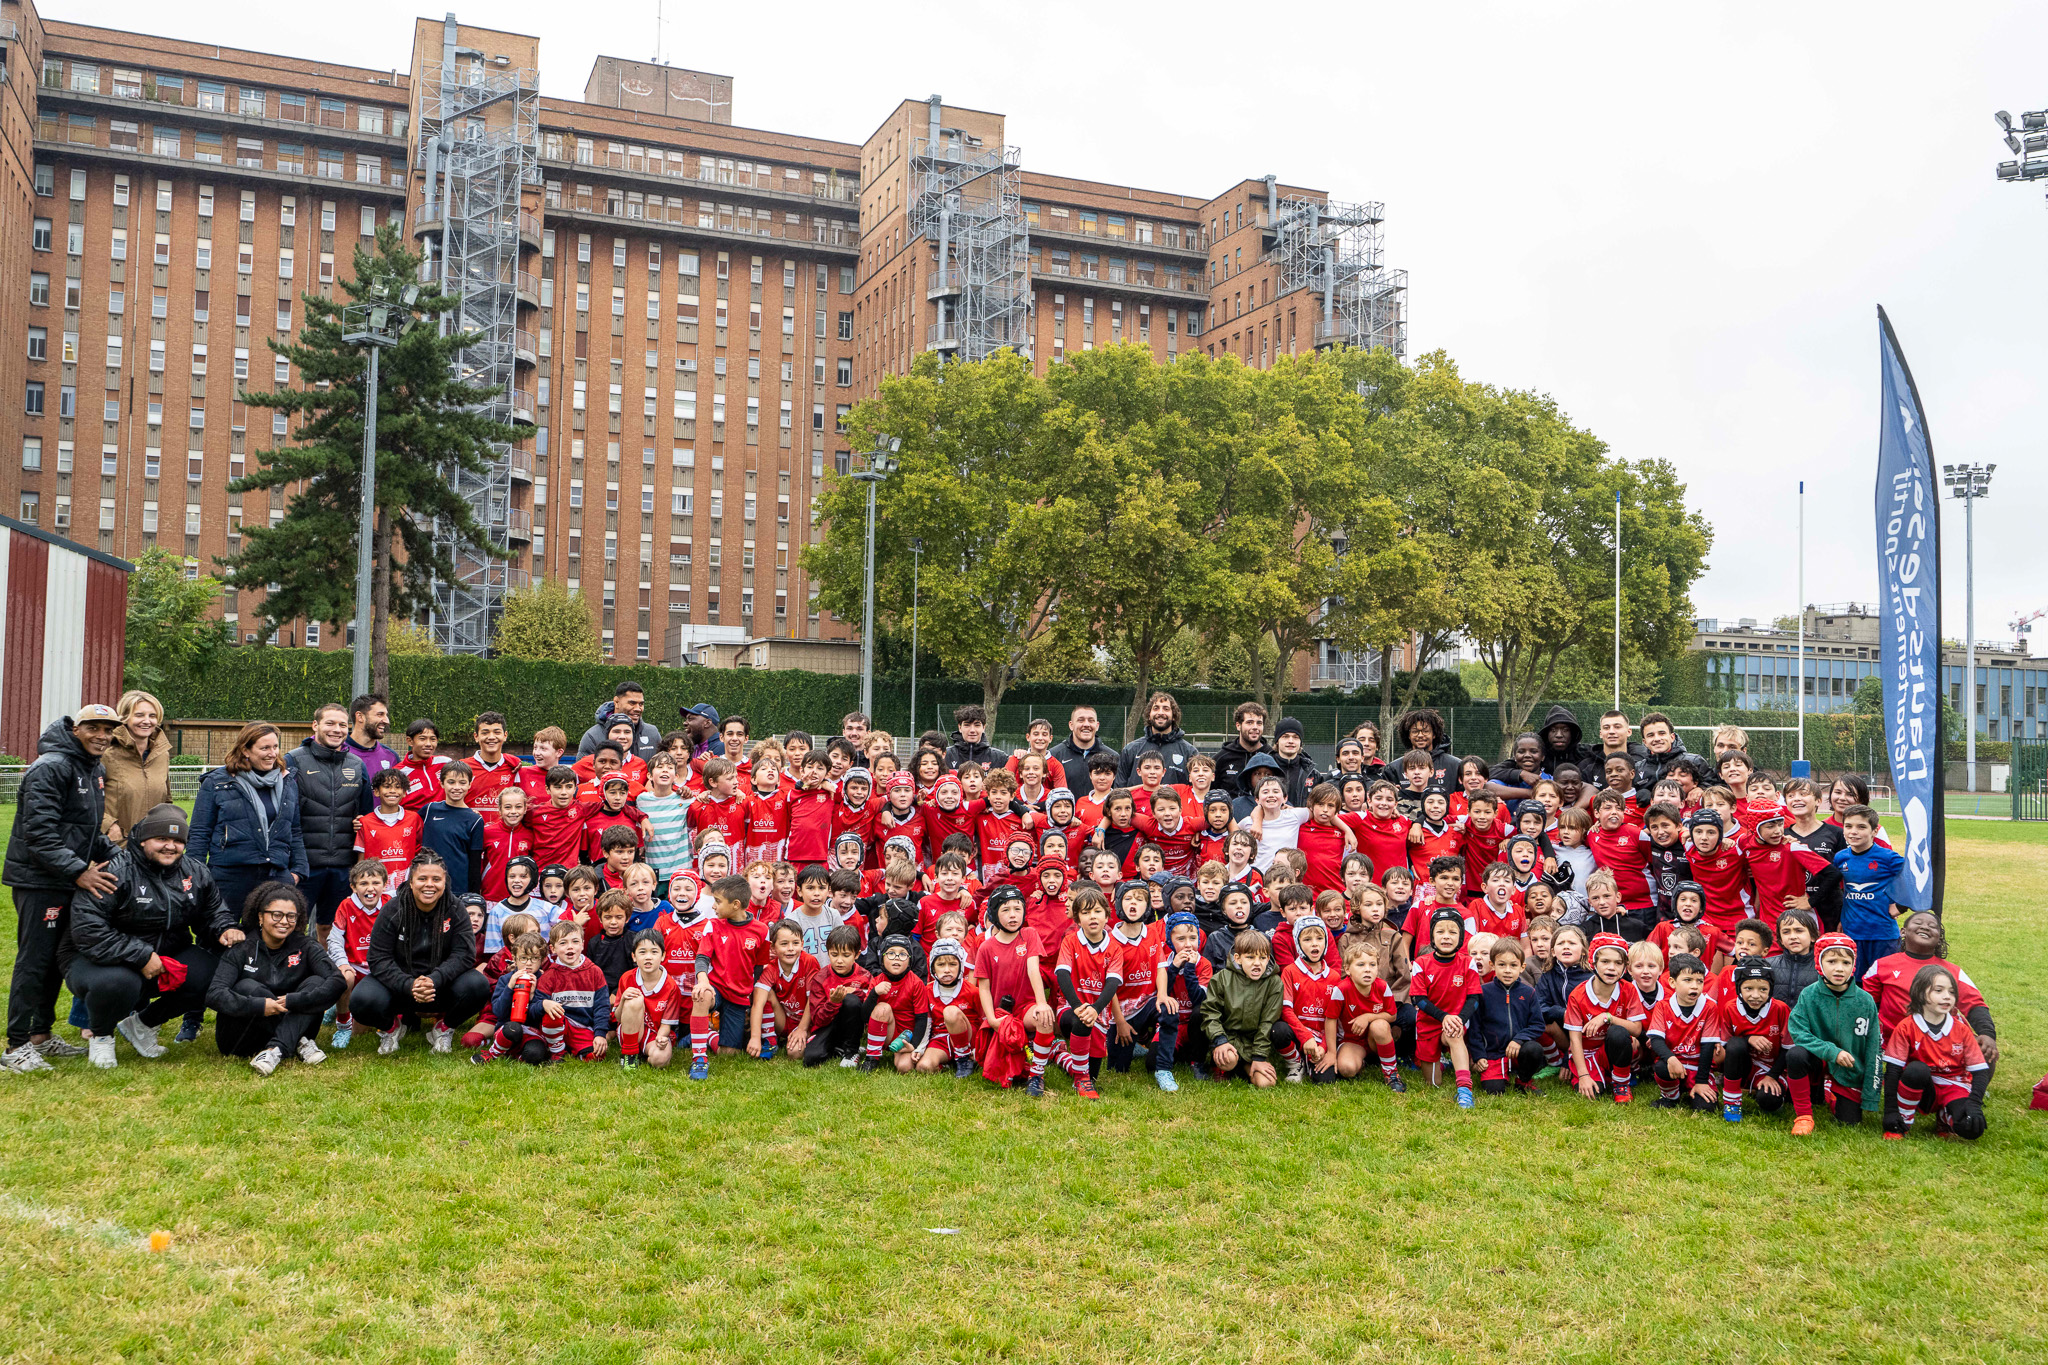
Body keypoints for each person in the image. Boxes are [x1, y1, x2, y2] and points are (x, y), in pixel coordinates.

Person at [66, 803, 236, 1069]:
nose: (170, 846)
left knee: (215, 976)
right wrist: (142, 955)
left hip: (167, 951)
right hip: (99, 958)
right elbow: (89, 930)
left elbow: (213, 911)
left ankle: (142, 1025)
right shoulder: (114, 871)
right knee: (119, 982)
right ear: (144, 840)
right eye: (162, 839)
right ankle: (101, 1036)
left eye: (178, 840)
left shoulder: (195, 871)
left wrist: (225, 928)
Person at [2, 706, 123, 1071]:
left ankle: (41, 1035)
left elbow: (86, 834)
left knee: (54, 960)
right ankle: (16, 1046)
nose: (102, 735)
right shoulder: (51, 766)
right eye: (93, 728)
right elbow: (39, 835)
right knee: (34, 960)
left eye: (108, 729)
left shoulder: (93, 768)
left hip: (65, 879)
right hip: (39, 881)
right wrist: (79, 873)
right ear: (75, 729)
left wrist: (124, 860)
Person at [184, 722, 308, 1044]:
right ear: (246, 750)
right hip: (228, 873)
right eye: (264, 747)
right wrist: (197, 875)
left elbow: (294, 830)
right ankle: (192, 1018)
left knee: (284, 939)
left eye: (275, 746)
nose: (272, 753)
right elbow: (198, 833)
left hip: (275, 873)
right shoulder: (218, 782)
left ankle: (281, 1011)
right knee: (213, 942)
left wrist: (298, 870)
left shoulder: (287, 780)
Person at [355, 851, 489, 1055]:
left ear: (445, 882)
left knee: (478, 985)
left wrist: (435, 979)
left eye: (436, 879)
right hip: (401, 988)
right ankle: (391, 1029)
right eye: (422, 878)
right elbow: (378, 958)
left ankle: (443, 1029)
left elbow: (464, 954)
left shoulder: (455, 908)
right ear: (410, 882)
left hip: (440, 987)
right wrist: (409, 985)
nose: (429, 885)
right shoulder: (393, 909)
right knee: (361, 1000)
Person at [206, 881, 342, 1075]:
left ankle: (274, 1050)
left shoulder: (307, 945)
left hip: (295, 1027)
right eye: (276, 915)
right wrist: (260, 1006)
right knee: (248, 986)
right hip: (242, 1039)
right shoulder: (242, 947)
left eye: (291, 916)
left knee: (317, 983)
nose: (284, 921)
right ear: (261, 916)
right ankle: (295, 1042)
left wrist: (296, 1000)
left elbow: (337, 981)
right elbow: (214, 994)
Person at [1784, 931, 1882, 1135]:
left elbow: (1874, 1048)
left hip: (1849, 1070)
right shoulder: (1809, 995)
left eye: (1846, 962)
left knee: (1849, 1122)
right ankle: (1804, 1116)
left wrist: (1871, 1095)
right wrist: (1831, 1051)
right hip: (1816, 1063)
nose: (1839, 968)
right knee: (1795, 1054)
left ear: (1853, 965)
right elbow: (1798, 1031)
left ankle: (1833, 1092)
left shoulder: (1865, 1000)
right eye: (1831, 961)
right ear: (1819, 963)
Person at [1879, 964, 1989, 1142]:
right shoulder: (1906, 1026)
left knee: (1971, 1129)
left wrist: (1974, 1104)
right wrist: (1890, 1112)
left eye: (1952, 992)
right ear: (1921, 993)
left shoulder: (1961, 1029)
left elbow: (1980, 1071)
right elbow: (1892, 1071)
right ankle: (1903, 1122)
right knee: (1916, 1070)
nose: (1947, 996)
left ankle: (1945, 1118)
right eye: (1939, 990)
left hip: (1954, 1086)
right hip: (1921, 1086)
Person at [288, 702, 373, 930]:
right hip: (303, 866)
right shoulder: (293, 760)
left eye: (342, 725)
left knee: (332, 927)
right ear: (315, 725)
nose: (337, 729)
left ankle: (327, 966)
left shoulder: (357, 765)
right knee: (293, 925)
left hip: (342, 867)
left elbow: (366, 817)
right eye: (330, 723)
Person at [1199, 928, 1283, 1088]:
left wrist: (1259, 1057)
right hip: (1229, 1038)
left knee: (1266, 1083)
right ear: (1237, 958)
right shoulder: (1221, 978)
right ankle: (1224, 1066)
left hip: (1254, 1042)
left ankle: (1246, 1066)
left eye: (1262, 957)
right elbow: (1210, 1013)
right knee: (1228, 1060)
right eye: (1250, 957)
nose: (1257, 963)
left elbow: (1267, 1023)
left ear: (1268, 959)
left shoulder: (1274, 983)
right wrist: (1220, 1040)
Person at [100, 690, 173, 843]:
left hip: (151, 848)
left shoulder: (162, 755)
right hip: (114, 847)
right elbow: (85, 800)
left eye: (152, 716)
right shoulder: (106, 753)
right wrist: (108, 825)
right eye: (139, 715)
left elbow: (166, 801)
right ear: (125, 718)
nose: (147, 721)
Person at [1116, 691, 1199, 786]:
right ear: (1149, 715)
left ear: (1174, 716)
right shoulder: (1130, 750)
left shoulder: (1189, 752)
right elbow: (1119, 790)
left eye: (1166, 709)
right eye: (1156, 708)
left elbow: (1196, 791)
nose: (1160, 713)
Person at [577, 681, 663, 761]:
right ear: (616, 702)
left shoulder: (652, 733)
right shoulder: (592, 737)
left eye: (641, 704)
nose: (638, 709)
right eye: (632, 703)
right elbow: (583, 773)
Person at [1390, 708, 1458, 783]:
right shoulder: (1394, 769)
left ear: (1434, 734)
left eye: (1425, 731)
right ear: (1408, 735)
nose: (1420, 735)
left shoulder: (1455, 766)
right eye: (1415, 731)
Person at [343, 694, 400, 779]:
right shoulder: (338, 752)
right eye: (380, 714)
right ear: (360, 717)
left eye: (386, 715)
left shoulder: (391, 756)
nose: (387, 721)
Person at [943, 704, 1002, 771]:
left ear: (983, 727)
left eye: (977, 725)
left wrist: (1016, 754)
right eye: (967, 725)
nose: (972, 730)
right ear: (960, 727)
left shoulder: (999, 758)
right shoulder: (945, 756)